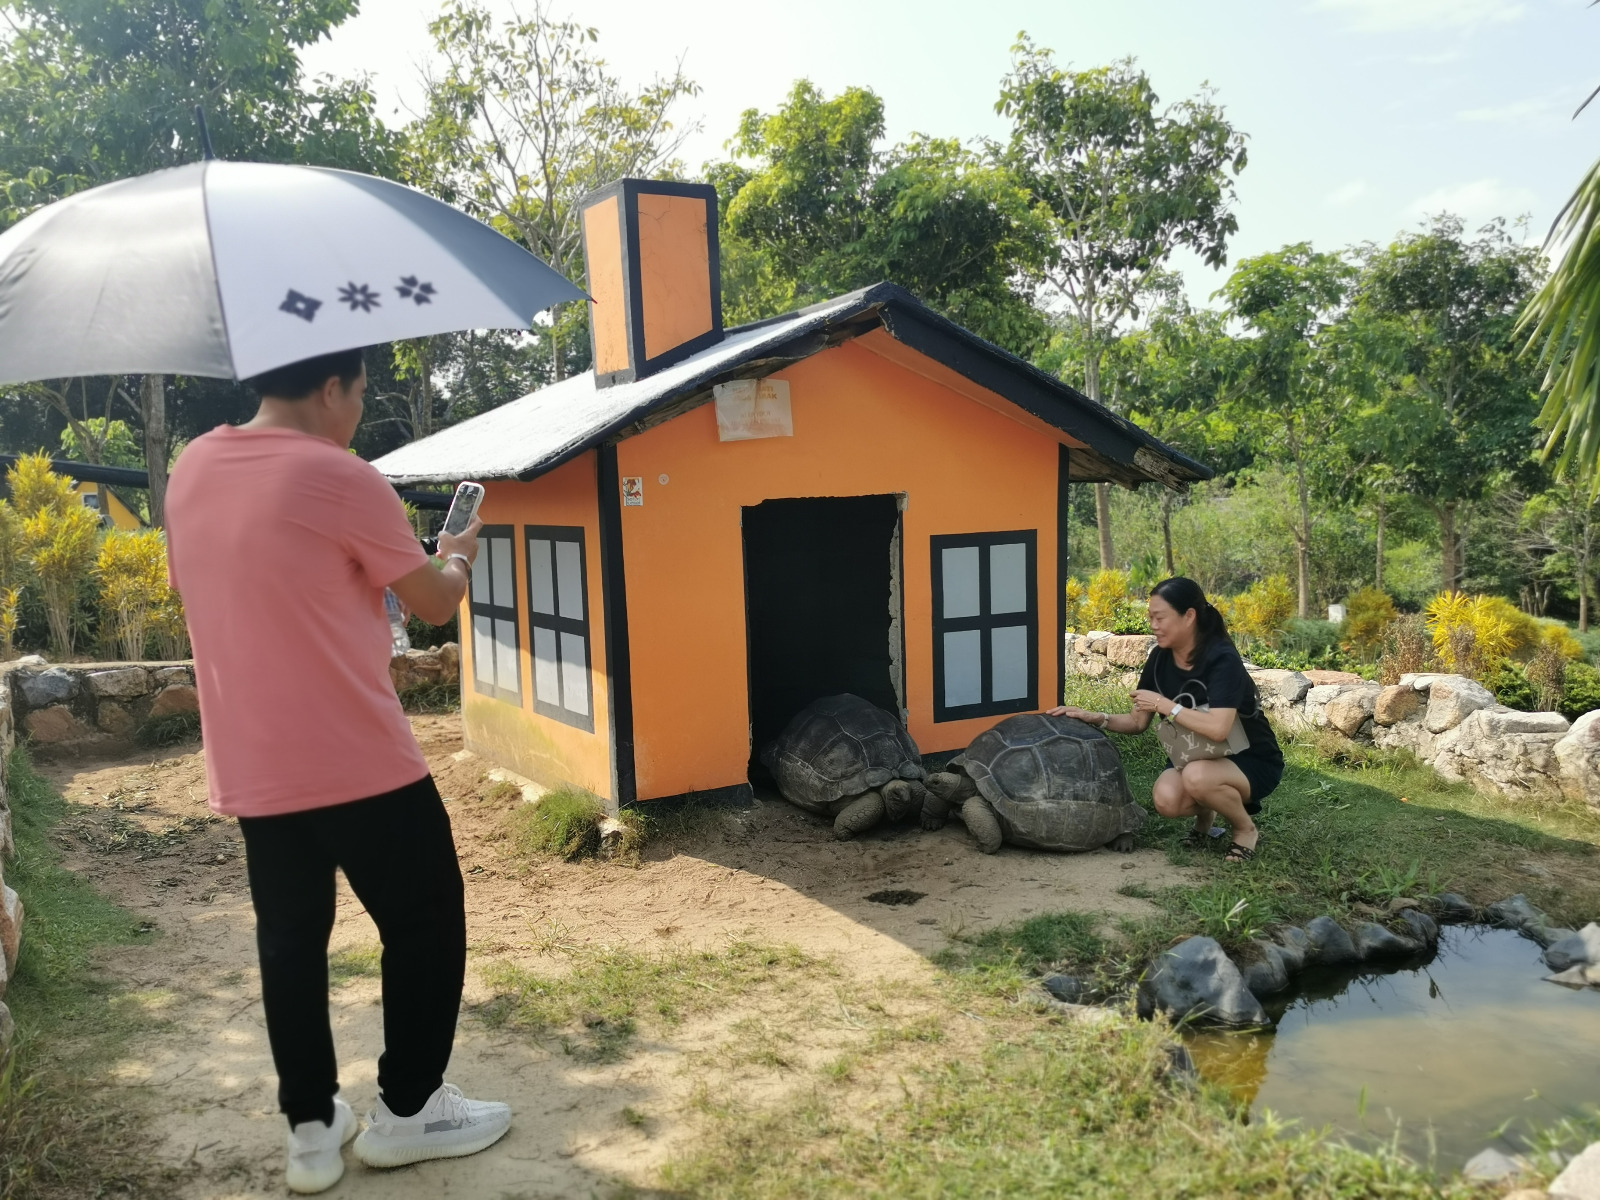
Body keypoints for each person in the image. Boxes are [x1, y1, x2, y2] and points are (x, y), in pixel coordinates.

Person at [166, 348, 509, 1194]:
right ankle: (410, 1109)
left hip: (254, 759)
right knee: (426, 920)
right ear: (331, 389)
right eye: (359, 393)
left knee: (290, 942)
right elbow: (434, 602)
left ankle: (313, 1132)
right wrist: (457, 552)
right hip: (359, 757)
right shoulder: (341, 476)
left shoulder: (193, 468)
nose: (357, 412)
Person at [1053, 576, 1283, 864]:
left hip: (1249, 758)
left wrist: (1165, 705)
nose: (1153, 625)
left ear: (1189, 616)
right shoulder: (1160, 659)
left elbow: (1218, 729)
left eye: (1160, 617)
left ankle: (1244, 829)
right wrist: (1096, 717)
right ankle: (1206, 815)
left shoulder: (1222, 659)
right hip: (1193, 753)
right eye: (1150, 617)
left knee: (1197, 777)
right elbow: (1137, 722)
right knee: (1167, 799)